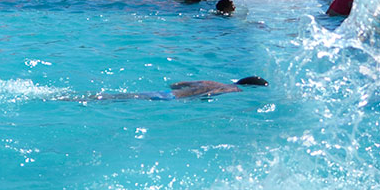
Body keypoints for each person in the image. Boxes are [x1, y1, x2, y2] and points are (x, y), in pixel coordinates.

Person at [57, 77, 268, 102]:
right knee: (119, 99)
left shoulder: (210, 80)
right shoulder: (231, 90)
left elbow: (175, 84)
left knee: (117, 96)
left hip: (167, 93)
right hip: (171, 101)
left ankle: (70, 98)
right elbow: (209, 97)